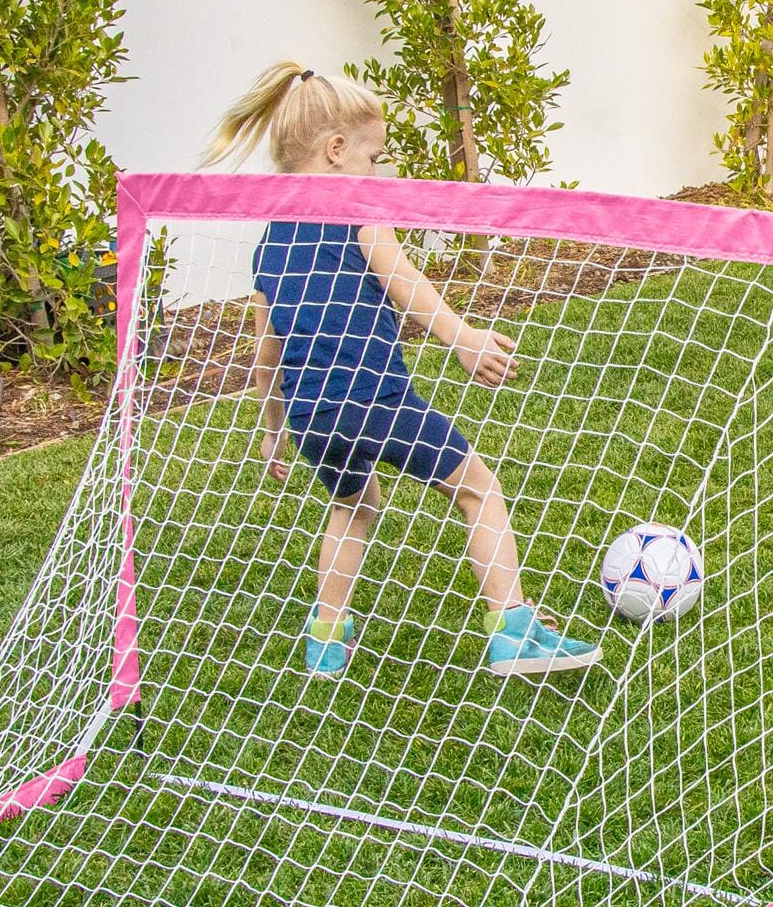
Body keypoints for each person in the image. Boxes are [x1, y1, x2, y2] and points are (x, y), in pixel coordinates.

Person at [204, 61, 600, 679]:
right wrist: (463, 337)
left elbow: (265, 355)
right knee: (478, 488)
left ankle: (327, 639)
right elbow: (404, 281)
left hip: (313, 417)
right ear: (336, 151)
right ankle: (514, 628)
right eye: (373, 157)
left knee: (354, 506)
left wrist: (274, 429)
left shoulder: (270, 241)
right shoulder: (358, 210)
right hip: (376, 400)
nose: (378, 172)